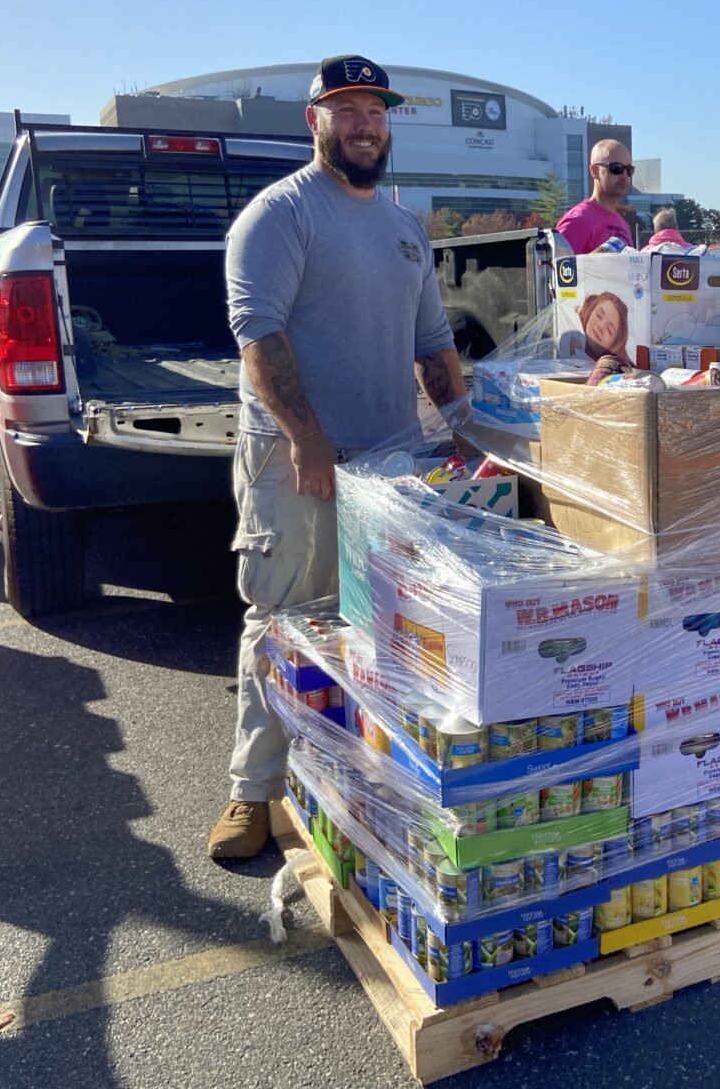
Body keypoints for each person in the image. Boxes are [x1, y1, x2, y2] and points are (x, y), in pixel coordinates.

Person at [209, 55, 464, 860]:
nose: (364, 123)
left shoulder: (401, 227)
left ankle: (346, 780)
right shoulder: (280, 216)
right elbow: (259, 335)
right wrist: (306, 437)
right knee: (283, 618)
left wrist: (462, 429)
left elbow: (432, 343)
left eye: (376, 111)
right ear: (313, 121)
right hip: (300, 458)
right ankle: (253, 792)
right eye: (346, 108)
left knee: (373, 628)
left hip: (388, 465)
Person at [555, 139, 635, 253]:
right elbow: (561, 268)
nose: (624, 176)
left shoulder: (623, 224)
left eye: (629, 170)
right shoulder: (576, 222)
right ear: (595, 171)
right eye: (616, 168)